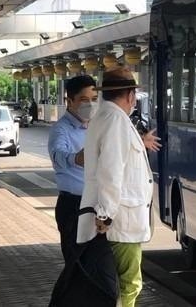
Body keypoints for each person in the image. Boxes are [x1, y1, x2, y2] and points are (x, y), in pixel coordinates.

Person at [77, 67, 155, 307]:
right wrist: (106, 214)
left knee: (117, 286)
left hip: (118, 219)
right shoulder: (115, 120)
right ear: (131, 95)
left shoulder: (106, 117)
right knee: (128, 286)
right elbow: (110, 172)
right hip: (121, 222)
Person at [48, 75, 99, 263]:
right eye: (84, 100)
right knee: (77, 266)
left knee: (96, 265)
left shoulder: (96, 127)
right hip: (73, 207)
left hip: (96, 205)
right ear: (69, 101)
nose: (91, 105)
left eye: (94, 100)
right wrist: (76, 158)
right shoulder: (61, 129)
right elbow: (58, 155)